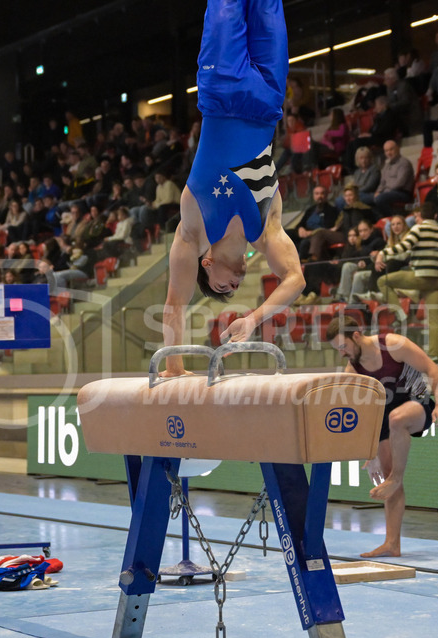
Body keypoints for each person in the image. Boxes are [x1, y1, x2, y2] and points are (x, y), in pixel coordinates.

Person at [163, 0, 304, 376]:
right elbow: (296, 278)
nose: (234, 285)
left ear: (206, 266)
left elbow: (175, 302)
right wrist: (255, 318)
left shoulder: (193, 229)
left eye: (223, 287)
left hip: (222, 88)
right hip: (269, 99)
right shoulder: (266, 229)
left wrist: (173, 368)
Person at [327, 315, 438, 557]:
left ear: (357, 336)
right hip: (383, 419)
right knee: (387, 479)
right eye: (338, 349)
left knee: (397, 420)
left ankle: (396, 477)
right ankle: (392, 544)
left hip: (416, 405)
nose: (342, 352)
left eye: (344, 346)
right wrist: (370, 453)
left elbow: (432, 369)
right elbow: (359, 412)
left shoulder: (394, 345)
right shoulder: (353, 369)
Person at [375, 200, 438, 360]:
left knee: (383, 281)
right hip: (437, 279)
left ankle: (399, 313)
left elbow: (403, 247)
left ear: (420, 216)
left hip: (420, 276)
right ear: (435, 216)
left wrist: (383, 253)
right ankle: (434, 354)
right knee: (433, 318)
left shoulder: (419, 228)